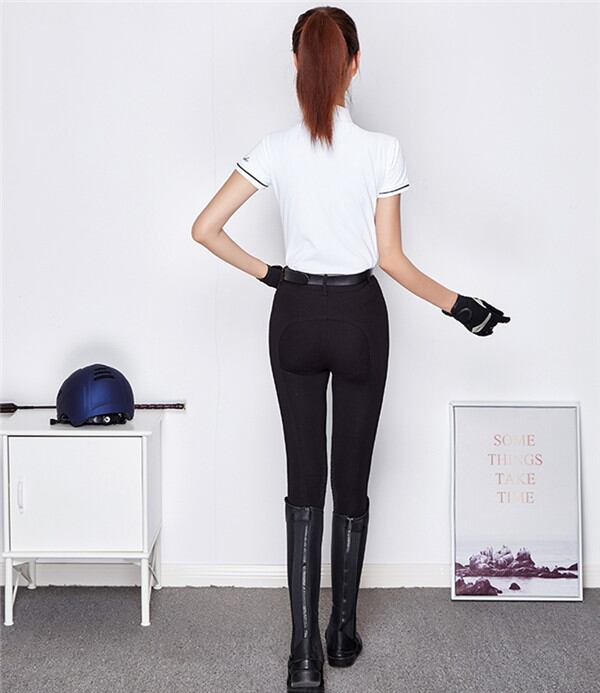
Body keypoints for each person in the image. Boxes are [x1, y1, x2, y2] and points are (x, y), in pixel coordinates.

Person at [191, 6, 510, 692]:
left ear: (297, 65)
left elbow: (205, 228)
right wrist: (462, 306)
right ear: (354, 64)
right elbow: (392, 260)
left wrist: (272, 275)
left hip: (294, 317)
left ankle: (303, 656)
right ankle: (341, 633)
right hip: (360, 318)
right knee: (352, 479)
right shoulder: (382, 149)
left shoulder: (274, 147)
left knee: (303, 481)